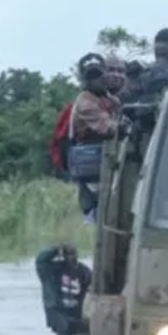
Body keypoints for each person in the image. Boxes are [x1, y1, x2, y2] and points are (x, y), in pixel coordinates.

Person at [69, 54, 119, 222]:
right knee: (94, 210)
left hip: (101, 160)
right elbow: (108, 128)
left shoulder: (105, 98)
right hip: (90, 162)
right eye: (91, 76)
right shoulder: (86, 103)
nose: (97, 79)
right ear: (85, 80)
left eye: (98, 74)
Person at [35, 244, 92, 335]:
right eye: (68, 255)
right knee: (66, 326)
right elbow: (40, 261)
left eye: (73, 254)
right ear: (63, 256)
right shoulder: (53, 270)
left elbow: (94, 289)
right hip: (58, 315)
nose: (71, 258)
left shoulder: (84, 272)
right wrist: (56, 249)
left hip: (77, 316)